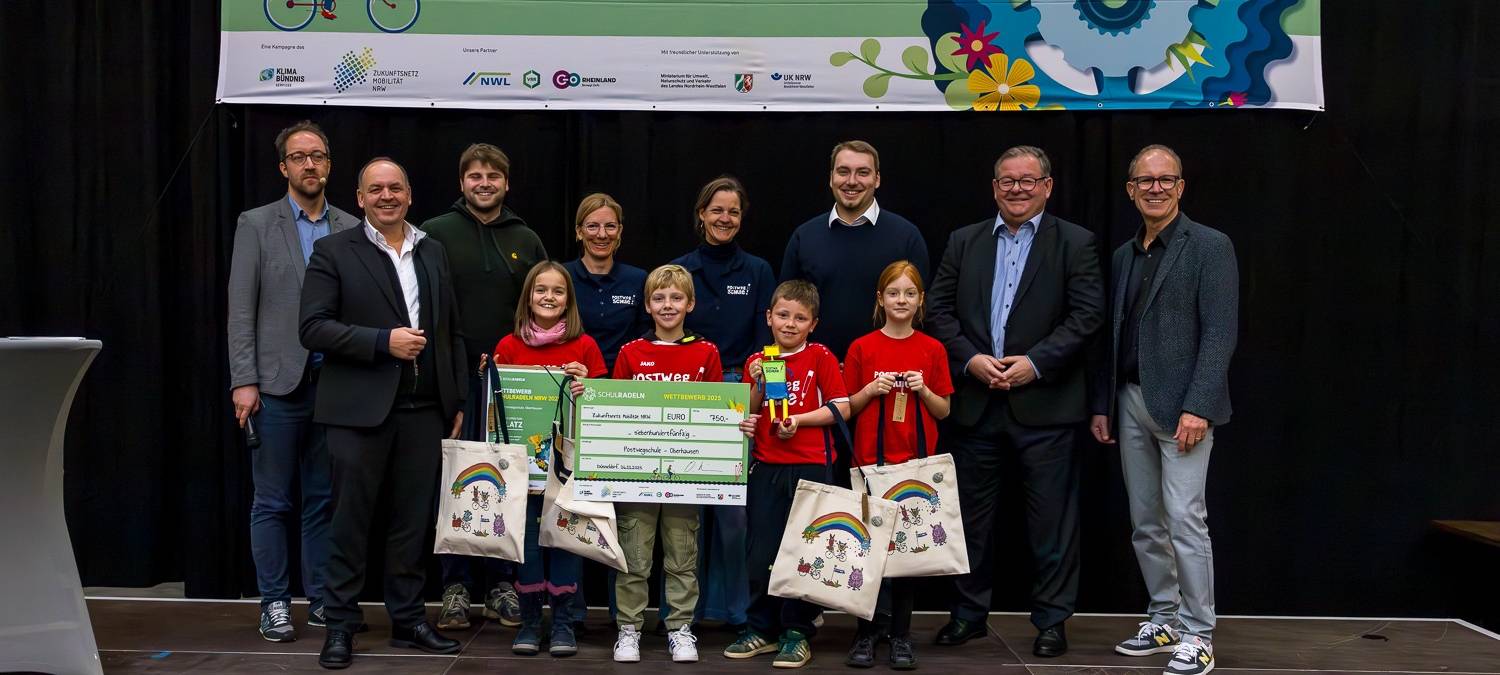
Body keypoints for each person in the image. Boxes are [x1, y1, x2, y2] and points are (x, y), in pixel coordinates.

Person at [926, 146, 1104, 658]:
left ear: (1048, 186)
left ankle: (1051, 621)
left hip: (1046, 406)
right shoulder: (965, 241)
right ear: (994, 187)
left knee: (1052, 524)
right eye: (1008, 181)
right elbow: (937, 310)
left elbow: (1087, 316)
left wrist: (1036, 363)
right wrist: (969, 360)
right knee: (969, 521)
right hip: (976, 403)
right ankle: (967, 615)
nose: (1018, 189)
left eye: (1029, 181)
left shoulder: (1076, 242)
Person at [299, 158, 468, 668]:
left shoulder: (432, 250)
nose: (387, 196)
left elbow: (450, 331)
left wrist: (455, 398)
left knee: (410, 523)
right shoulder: (333, 251)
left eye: (396, 187)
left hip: (423, 410)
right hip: (356, 411)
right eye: (377, 189)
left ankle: (409, 620)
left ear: (410, 195)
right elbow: (313, 328)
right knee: (350, 522)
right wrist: (382, 342)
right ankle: (341, 625)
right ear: (360, 197)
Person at [1089, 145, 1237, 675]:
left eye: (1165, 179)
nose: (1155, 188)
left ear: (1181, 187)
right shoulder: (1125, 254)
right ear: (1130, 189)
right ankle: (1165, 616)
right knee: (1146, 521)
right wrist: (1105, 403)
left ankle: (1199, 633)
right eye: (1144, 180)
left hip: (1183, 411)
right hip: (1130, 401)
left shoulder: (1210, 246)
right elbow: (1113, 335)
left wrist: (1198, 406)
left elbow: (1220, 333)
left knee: (1184, 520)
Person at [227, 120, 359, 643]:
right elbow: (242, 309)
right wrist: (244, 380)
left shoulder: (352, 226)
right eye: (300, 157)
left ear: (329, 165)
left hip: (338, 384)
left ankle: (323, 601)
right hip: (276, 385)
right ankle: (276, 603)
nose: (310, 165)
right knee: (272, 501)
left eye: (319, 156)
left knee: (323, 501)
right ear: (284, 167)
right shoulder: (256, 224)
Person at [420, 142, 545, 632]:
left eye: (493, 176)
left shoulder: (527, 238)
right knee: (457, 478)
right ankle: (454, 585)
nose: (484, 183)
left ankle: (501, 584)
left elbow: (540, 305)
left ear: (506, 183)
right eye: (475, 176)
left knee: (507, 478)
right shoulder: (434, 233)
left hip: (512, 380)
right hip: (454, 377)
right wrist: (445, 380)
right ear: (462, 183)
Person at [723, 280, 850, 670]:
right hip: (767, 466)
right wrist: (757, 385)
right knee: (761, 552)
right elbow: (748, 410)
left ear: (813, 323)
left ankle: (797, 631)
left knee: (802, 551)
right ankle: (760, 627)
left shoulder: (821, 356)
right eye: (783, 315)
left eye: (800, 318)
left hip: (811, 466)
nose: (790, 324)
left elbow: (841, 407)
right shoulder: (758, 360)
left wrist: (800, 420)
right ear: (769, 317)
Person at [671, 175, 774, 630]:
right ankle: (683, 612)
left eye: (733, 211)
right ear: (701, 214)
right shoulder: (679, 270)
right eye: (717, 210)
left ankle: (737, 612)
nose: (725, 219)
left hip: (738, 396)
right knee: (684, 509)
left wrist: (754, 400)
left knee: (734, 515)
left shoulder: (757, 271)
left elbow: (764, 345)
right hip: (687, 392)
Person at [608, 264, 724, 664]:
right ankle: (628, 629)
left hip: (686, 478)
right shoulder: (630, 353)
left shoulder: (706, 353)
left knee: (682, 557)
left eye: (676, 298)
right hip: (637, 477)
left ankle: (680, 628)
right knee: (634, 557)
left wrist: (734, 424)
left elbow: (717, 416)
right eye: (659, 298)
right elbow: (615, 414)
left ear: (690, 304)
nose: (668, 305)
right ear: (647, 305)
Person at [492, 260, 608, 657]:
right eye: (541, 290)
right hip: (522, 472)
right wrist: (489, 378)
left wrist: (587, 385)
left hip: (568, 470)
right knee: (527, 545)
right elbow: (497, 409)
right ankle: (528, 623)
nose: (549, 297)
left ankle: (562, 624)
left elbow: (603, 406)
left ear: (568, 301)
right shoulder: (508, 346)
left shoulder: (585, 347)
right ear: (528, 296)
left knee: (564, 543)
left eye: (558, 291)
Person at [841, 261, 953, 670]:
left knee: (907, 558)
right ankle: (866, 634)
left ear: (920, 300)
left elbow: (943, 411)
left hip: (915, 469)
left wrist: (923, 391)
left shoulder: (932, 349)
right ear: (880, 299)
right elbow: (846, 409)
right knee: (868, 554)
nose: (901, 300)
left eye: (909, 293)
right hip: (870, 464)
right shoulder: (862, 347)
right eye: (893, 293)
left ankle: (902, 637)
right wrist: (870, 390)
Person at [780, 140, 930, 360]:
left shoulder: (906, 236)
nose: (852, 181)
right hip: (817, 372)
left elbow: (922, 311)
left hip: (886, 371)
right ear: (831, 177)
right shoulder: (804, 236)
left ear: (877, 179)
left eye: (862, 173)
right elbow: (784, 310)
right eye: (843, 172)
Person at [565, 192, 649, 372]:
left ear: (619, 231)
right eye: (592, 226)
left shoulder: (638, 279)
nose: (602, 235)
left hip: (625, 383)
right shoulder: (562, 277)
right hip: (573, 379)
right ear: (579, 232)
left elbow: (647, 339)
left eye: (610, 226)